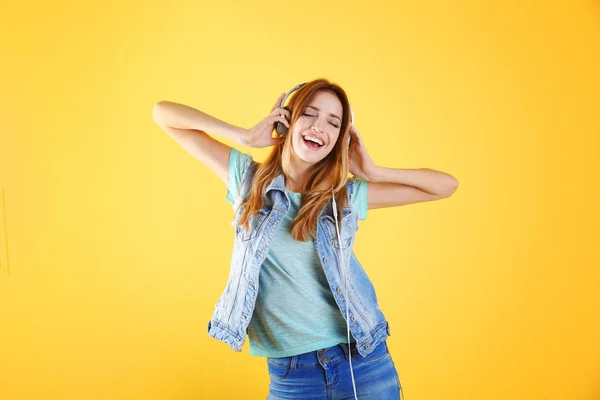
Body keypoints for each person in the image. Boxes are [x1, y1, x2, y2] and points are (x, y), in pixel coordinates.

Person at [152, 78, 459, 399]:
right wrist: (245, 136)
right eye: (309, 114)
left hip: (362, 365)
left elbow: (445, 186)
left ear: (341, 139)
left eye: (333, 122)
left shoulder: (345, 196)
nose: (319, 126)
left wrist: (375, 172)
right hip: (292, 374)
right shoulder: (247, 180)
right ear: (286, 122)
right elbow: (164, 114)